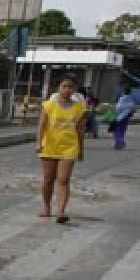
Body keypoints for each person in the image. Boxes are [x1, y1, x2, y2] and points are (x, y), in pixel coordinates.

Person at [37, 74, 87, 223]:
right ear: (58, 88)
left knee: (63, 179)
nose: (67, 89)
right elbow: (42, 125)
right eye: (64, 86)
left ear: (75, 89)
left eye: (70, 87)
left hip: (69, 147)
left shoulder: (79, 108)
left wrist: (81, 149)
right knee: (48, 179)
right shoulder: (49, 105)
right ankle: (47, 207)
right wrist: (38, 143)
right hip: (50, 146)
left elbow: (80, 130)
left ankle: (61, 211)